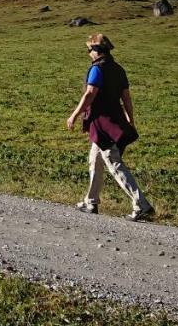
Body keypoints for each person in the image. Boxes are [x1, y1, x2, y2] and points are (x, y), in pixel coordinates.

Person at [65, 33, 154, 221]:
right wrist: (131, 119)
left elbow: (90, 94)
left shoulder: (97, 69)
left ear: (97, 51)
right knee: (94, 160)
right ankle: (91, 201)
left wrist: (74, 115)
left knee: (113, 161)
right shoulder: (119, 69)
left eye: (89, 50)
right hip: (115, 121)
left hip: (103, 123)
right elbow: (126, 98)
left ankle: (141, 204)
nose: (88, 53)